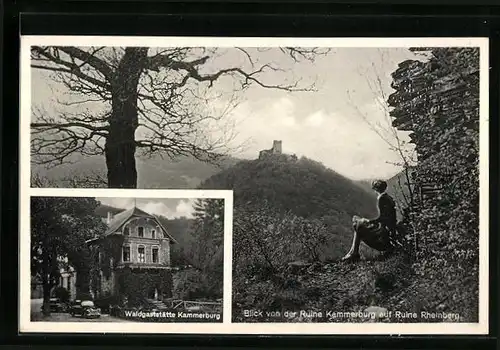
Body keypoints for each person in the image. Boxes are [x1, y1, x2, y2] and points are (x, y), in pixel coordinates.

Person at [341, 179, 397, 262]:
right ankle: (353, 253)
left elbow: (382, 218)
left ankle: (353, 253)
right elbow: (387, 218)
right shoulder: (388, 197)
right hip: (389, 232)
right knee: (358, 224)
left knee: (358, 225)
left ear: (376, 189)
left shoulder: (381, 198)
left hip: (384, 236)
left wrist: (368, 221)